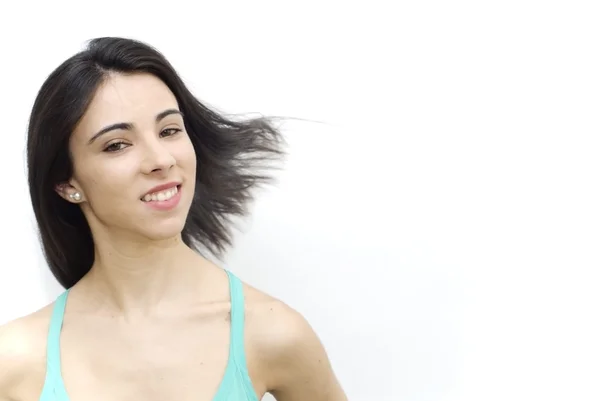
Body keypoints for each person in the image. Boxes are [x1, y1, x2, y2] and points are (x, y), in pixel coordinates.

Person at [0, 37, 347, 401]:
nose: (161, 159)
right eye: (117, 144)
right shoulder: (16, 361)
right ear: (67, 183)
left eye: (169, 131)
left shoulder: (272, 332)